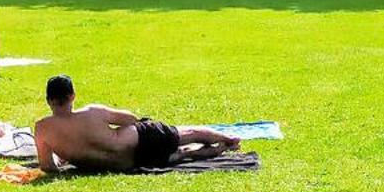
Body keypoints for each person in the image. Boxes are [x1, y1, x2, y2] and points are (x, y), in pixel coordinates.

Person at [33, 74, 239, 172]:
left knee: (184, 154)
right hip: (139, 142)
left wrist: (66, 157)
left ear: (48, 100)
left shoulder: (43, 129)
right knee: (189, 133)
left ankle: (212, 149)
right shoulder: (92, 113)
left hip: (129, 163)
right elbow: (131, 118)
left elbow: (47, 166)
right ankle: (229, 139)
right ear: (73, 95)